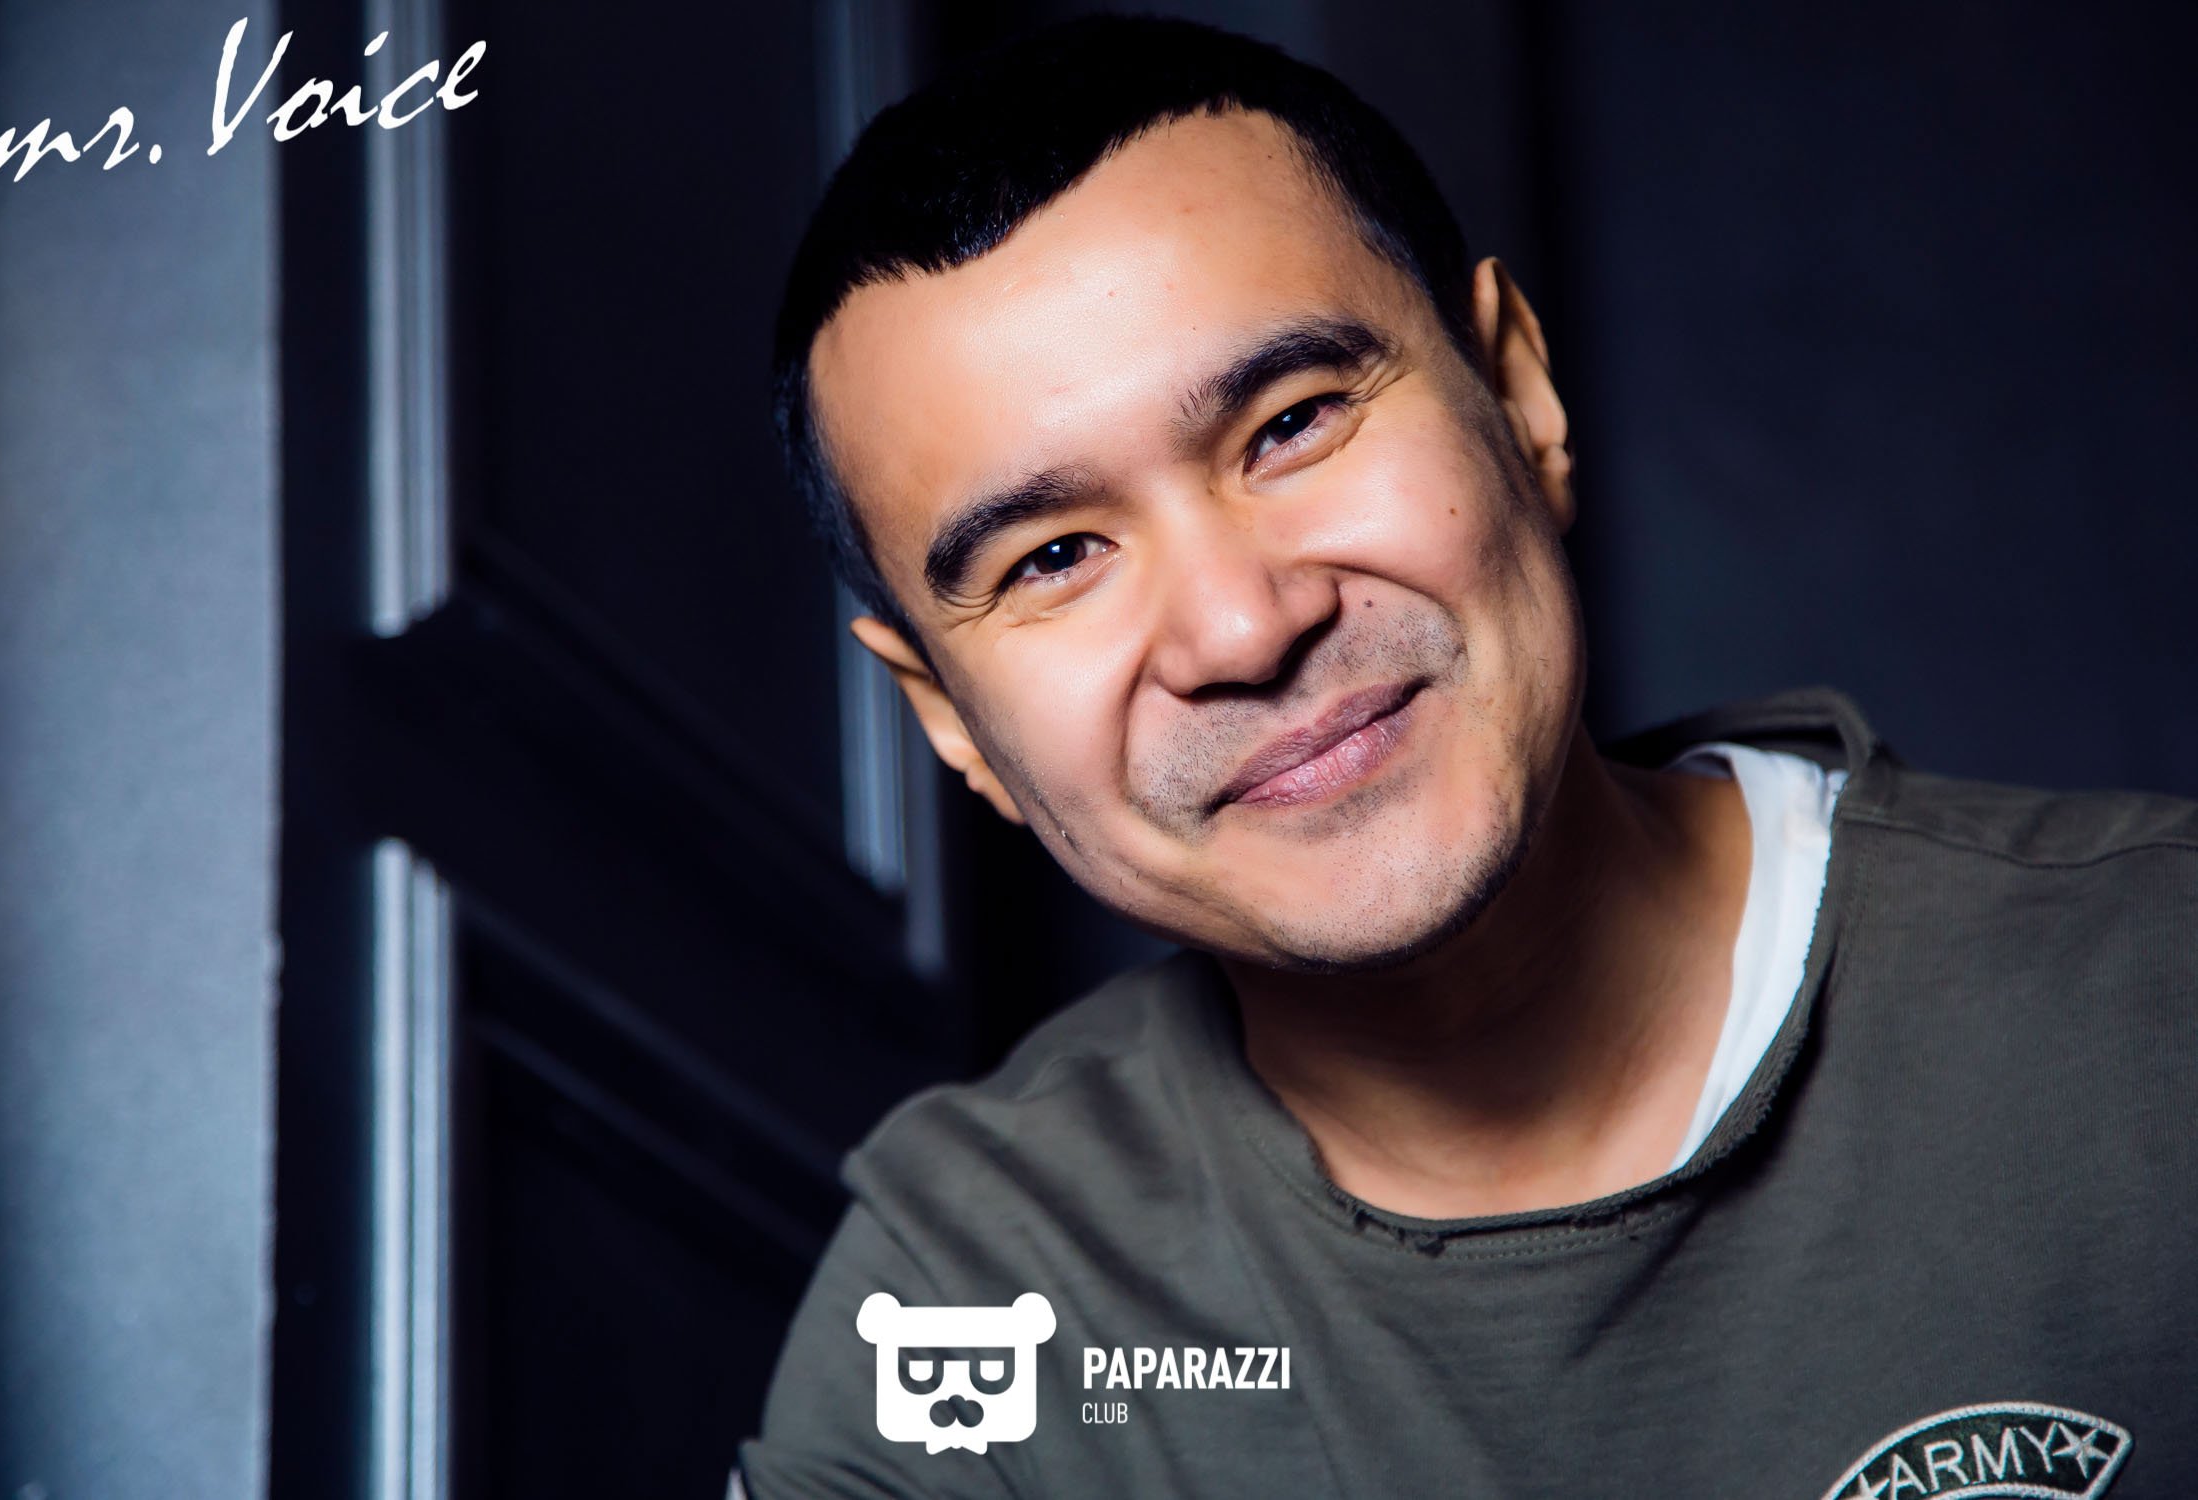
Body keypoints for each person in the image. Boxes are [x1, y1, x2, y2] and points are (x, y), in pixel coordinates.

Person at [734, 16, 2197, 1498]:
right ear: (947, 719)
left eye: (1293, 423)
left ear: (1517, 395)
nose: (1241, 627)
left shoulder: (2157, 995)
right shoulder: (965, 1299)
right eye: (1053, 557)